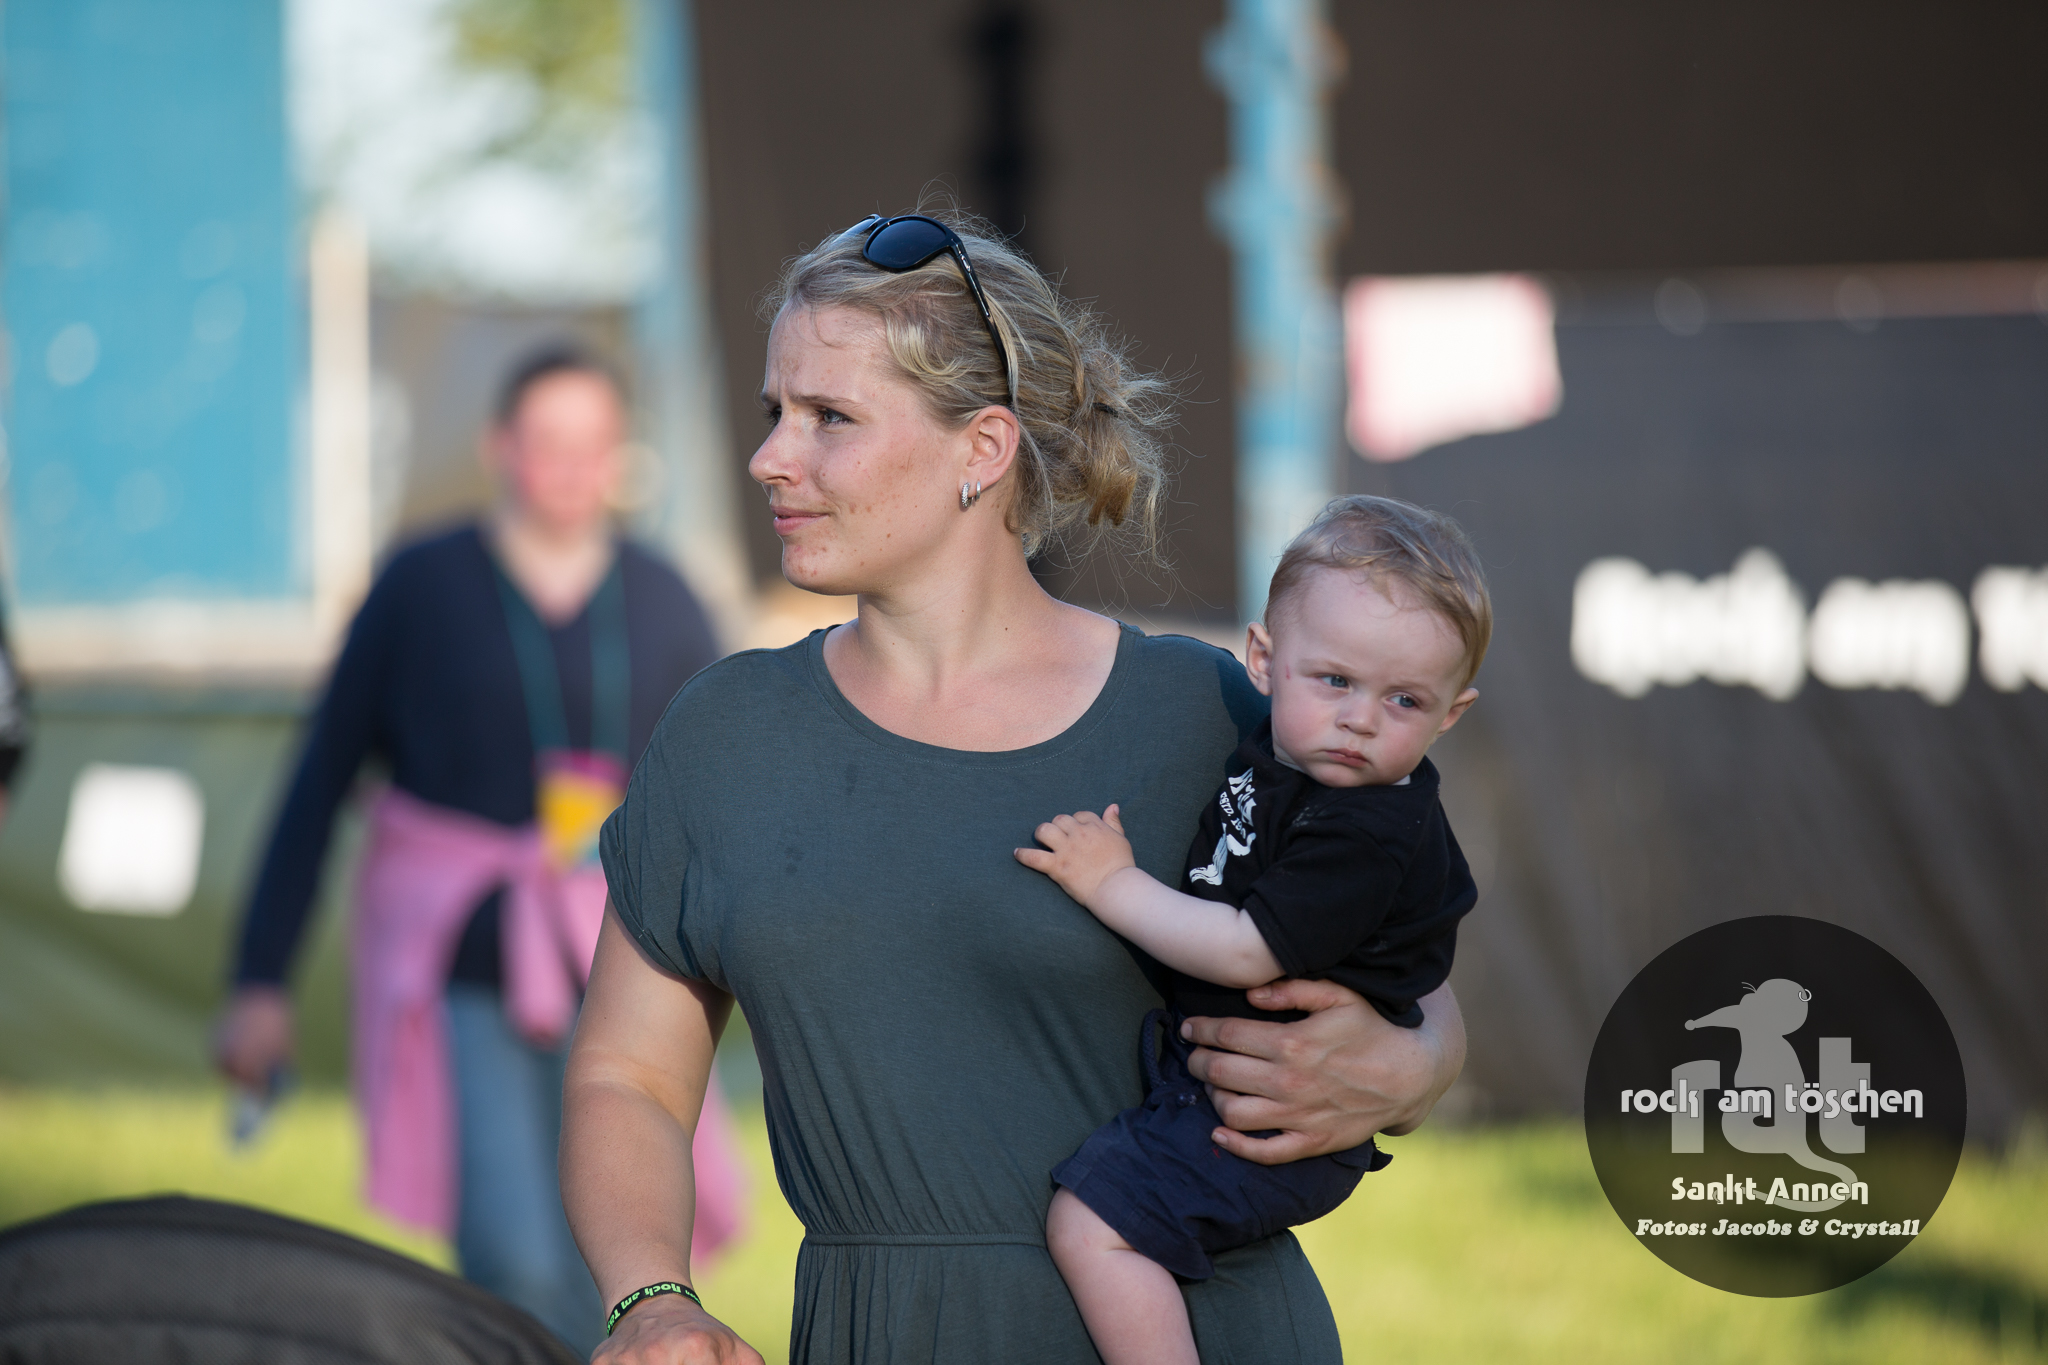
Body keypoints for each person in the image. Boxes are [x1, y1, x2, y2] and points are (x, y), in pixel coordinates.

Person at [566, 211, 1468, 1364]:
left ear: (982, 448)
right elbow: (627, 1076)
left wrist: (1411, 1070)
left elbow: (1411, 973)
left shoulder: (1211, 715)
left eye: (829, 417)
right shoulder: (723, 734)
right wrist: (650, 1300)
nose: (770, 458)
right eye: (773, 412)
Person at [216, 347, 742, 1353]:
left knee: (621, 1259)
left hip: (627, 970)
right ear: (501, 447)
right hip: (461, 973)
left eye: (593, 443)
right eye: (548, 441)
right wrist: (259, 979)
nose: (571, 467)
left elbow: (726, 796)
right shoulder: (420, 586)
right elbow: (320, 782)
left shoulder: (665, 597)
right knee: (515, 1255)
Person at [1018, 495, 1489, 1365]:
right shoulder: (1287, 754)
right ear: (1265, 661)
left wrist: (1111, 882)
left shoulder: (1369, 827)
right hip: (1223, 1089)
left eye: (1405, 700)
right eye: (1335, 680)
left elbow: (1246, 948)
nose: (1361, 718)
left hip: (1274, 1120)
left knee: (1092, 1226)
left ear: (1449, 714)